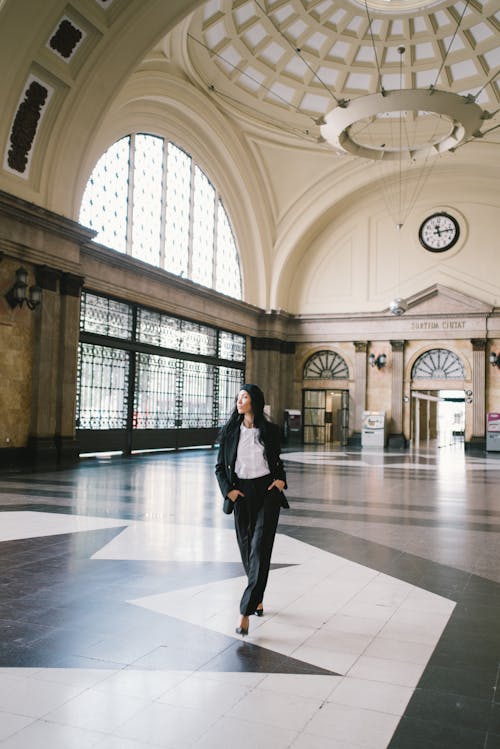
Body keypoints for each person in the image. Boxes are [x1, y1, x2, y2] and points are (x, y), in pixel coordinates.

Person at [215, 384, 289, 636]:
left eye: (244, 397)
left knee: (260, 547)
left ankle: (244, 612)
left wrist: (280, 481)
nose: (239, 401)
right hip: (242, 494)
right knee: (247, 548)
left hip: (267, 492)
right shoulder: (229, 433)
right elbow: (219, 467)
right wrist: (229, 491)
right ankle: (257, 596)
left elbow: (277, 461)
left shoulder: (270, 431)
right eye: (237, 398)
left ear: (254, 401)